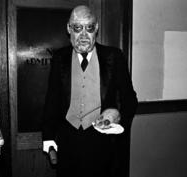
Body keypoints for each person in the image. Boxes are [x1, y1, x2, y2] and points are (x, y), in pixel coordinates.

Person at [42, 5, 138, 177]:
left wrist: (117, 117)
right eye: (78, 28)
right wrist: (48, 137)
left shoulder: (114, 57)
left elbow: (130, 100)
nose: (84, 35)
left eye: (90, 28)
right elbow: (52, 100)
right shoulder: (59, 58)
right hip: (68, 143)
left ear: (97, 28)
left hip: (104, 144)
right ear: (68, 28)